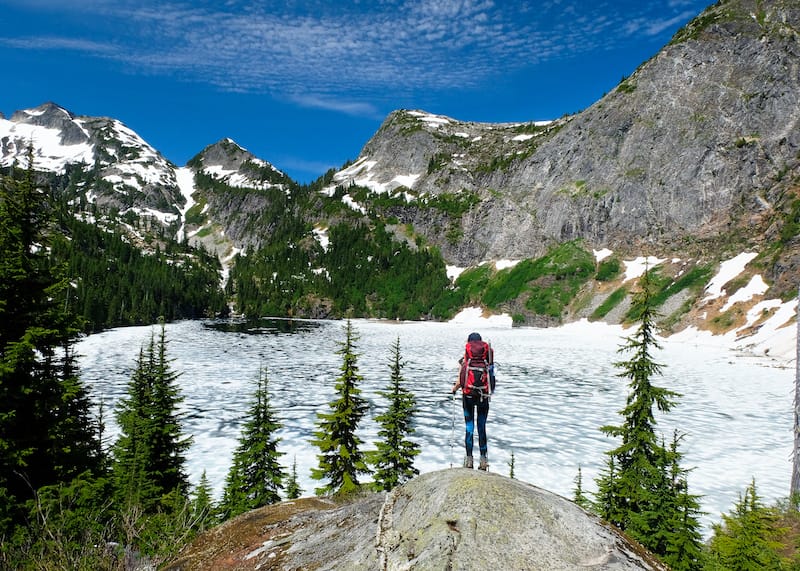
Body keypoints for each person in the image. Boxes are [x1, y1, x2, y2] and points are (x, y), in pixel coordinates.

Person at [451, 332, 495, 471]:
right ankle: (483, 459)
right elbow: (492, 377)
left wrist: (454, 389)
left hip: (468, 395)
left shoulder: (466, 360)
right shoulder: (487, 359)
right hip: (483, 396)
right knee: (481, 426)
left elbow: (460, 381)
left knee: (469, 427)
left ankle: (469, 459)